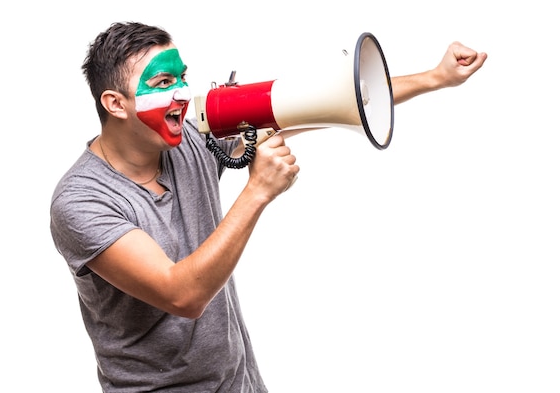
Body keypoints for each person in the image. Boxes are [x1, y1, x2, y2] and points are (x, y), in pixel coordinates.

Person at [49, 21, 487, 393]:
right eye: (163, 84)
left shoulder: (188, 136)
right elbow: (181, 294)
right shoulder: (81, 200)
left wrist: (435, 78)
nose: (184, 94)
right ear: (115, 104)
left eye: (182, 78)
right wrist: (257, 190)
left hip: (238, 381)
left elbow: (327, 102)